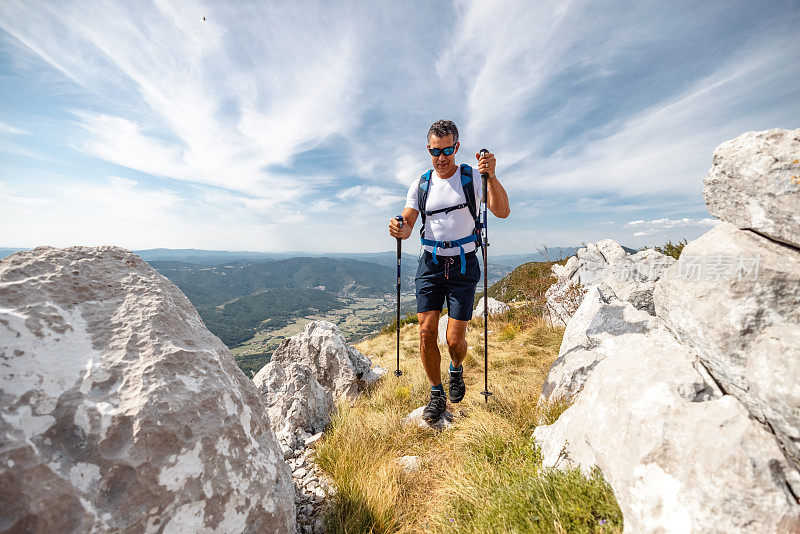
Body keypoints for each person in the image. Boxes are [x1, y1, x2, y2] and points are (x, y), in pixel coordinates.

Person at [388, 119, 510, 422]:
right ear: (428, 149)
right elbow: (408, 220)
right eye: (435, 151)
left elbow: (503, 211)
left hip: (463, 264)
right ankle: (436, 393)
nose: (441, 157)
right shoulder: (421, 183)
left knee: (454, 340)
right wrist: (399, 227)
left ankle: (456, 369)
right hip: (430, 263)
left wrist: (491, 175)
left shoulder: (472, 178)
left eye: (447, 150)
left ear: (457, 147)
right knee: (426, 332)